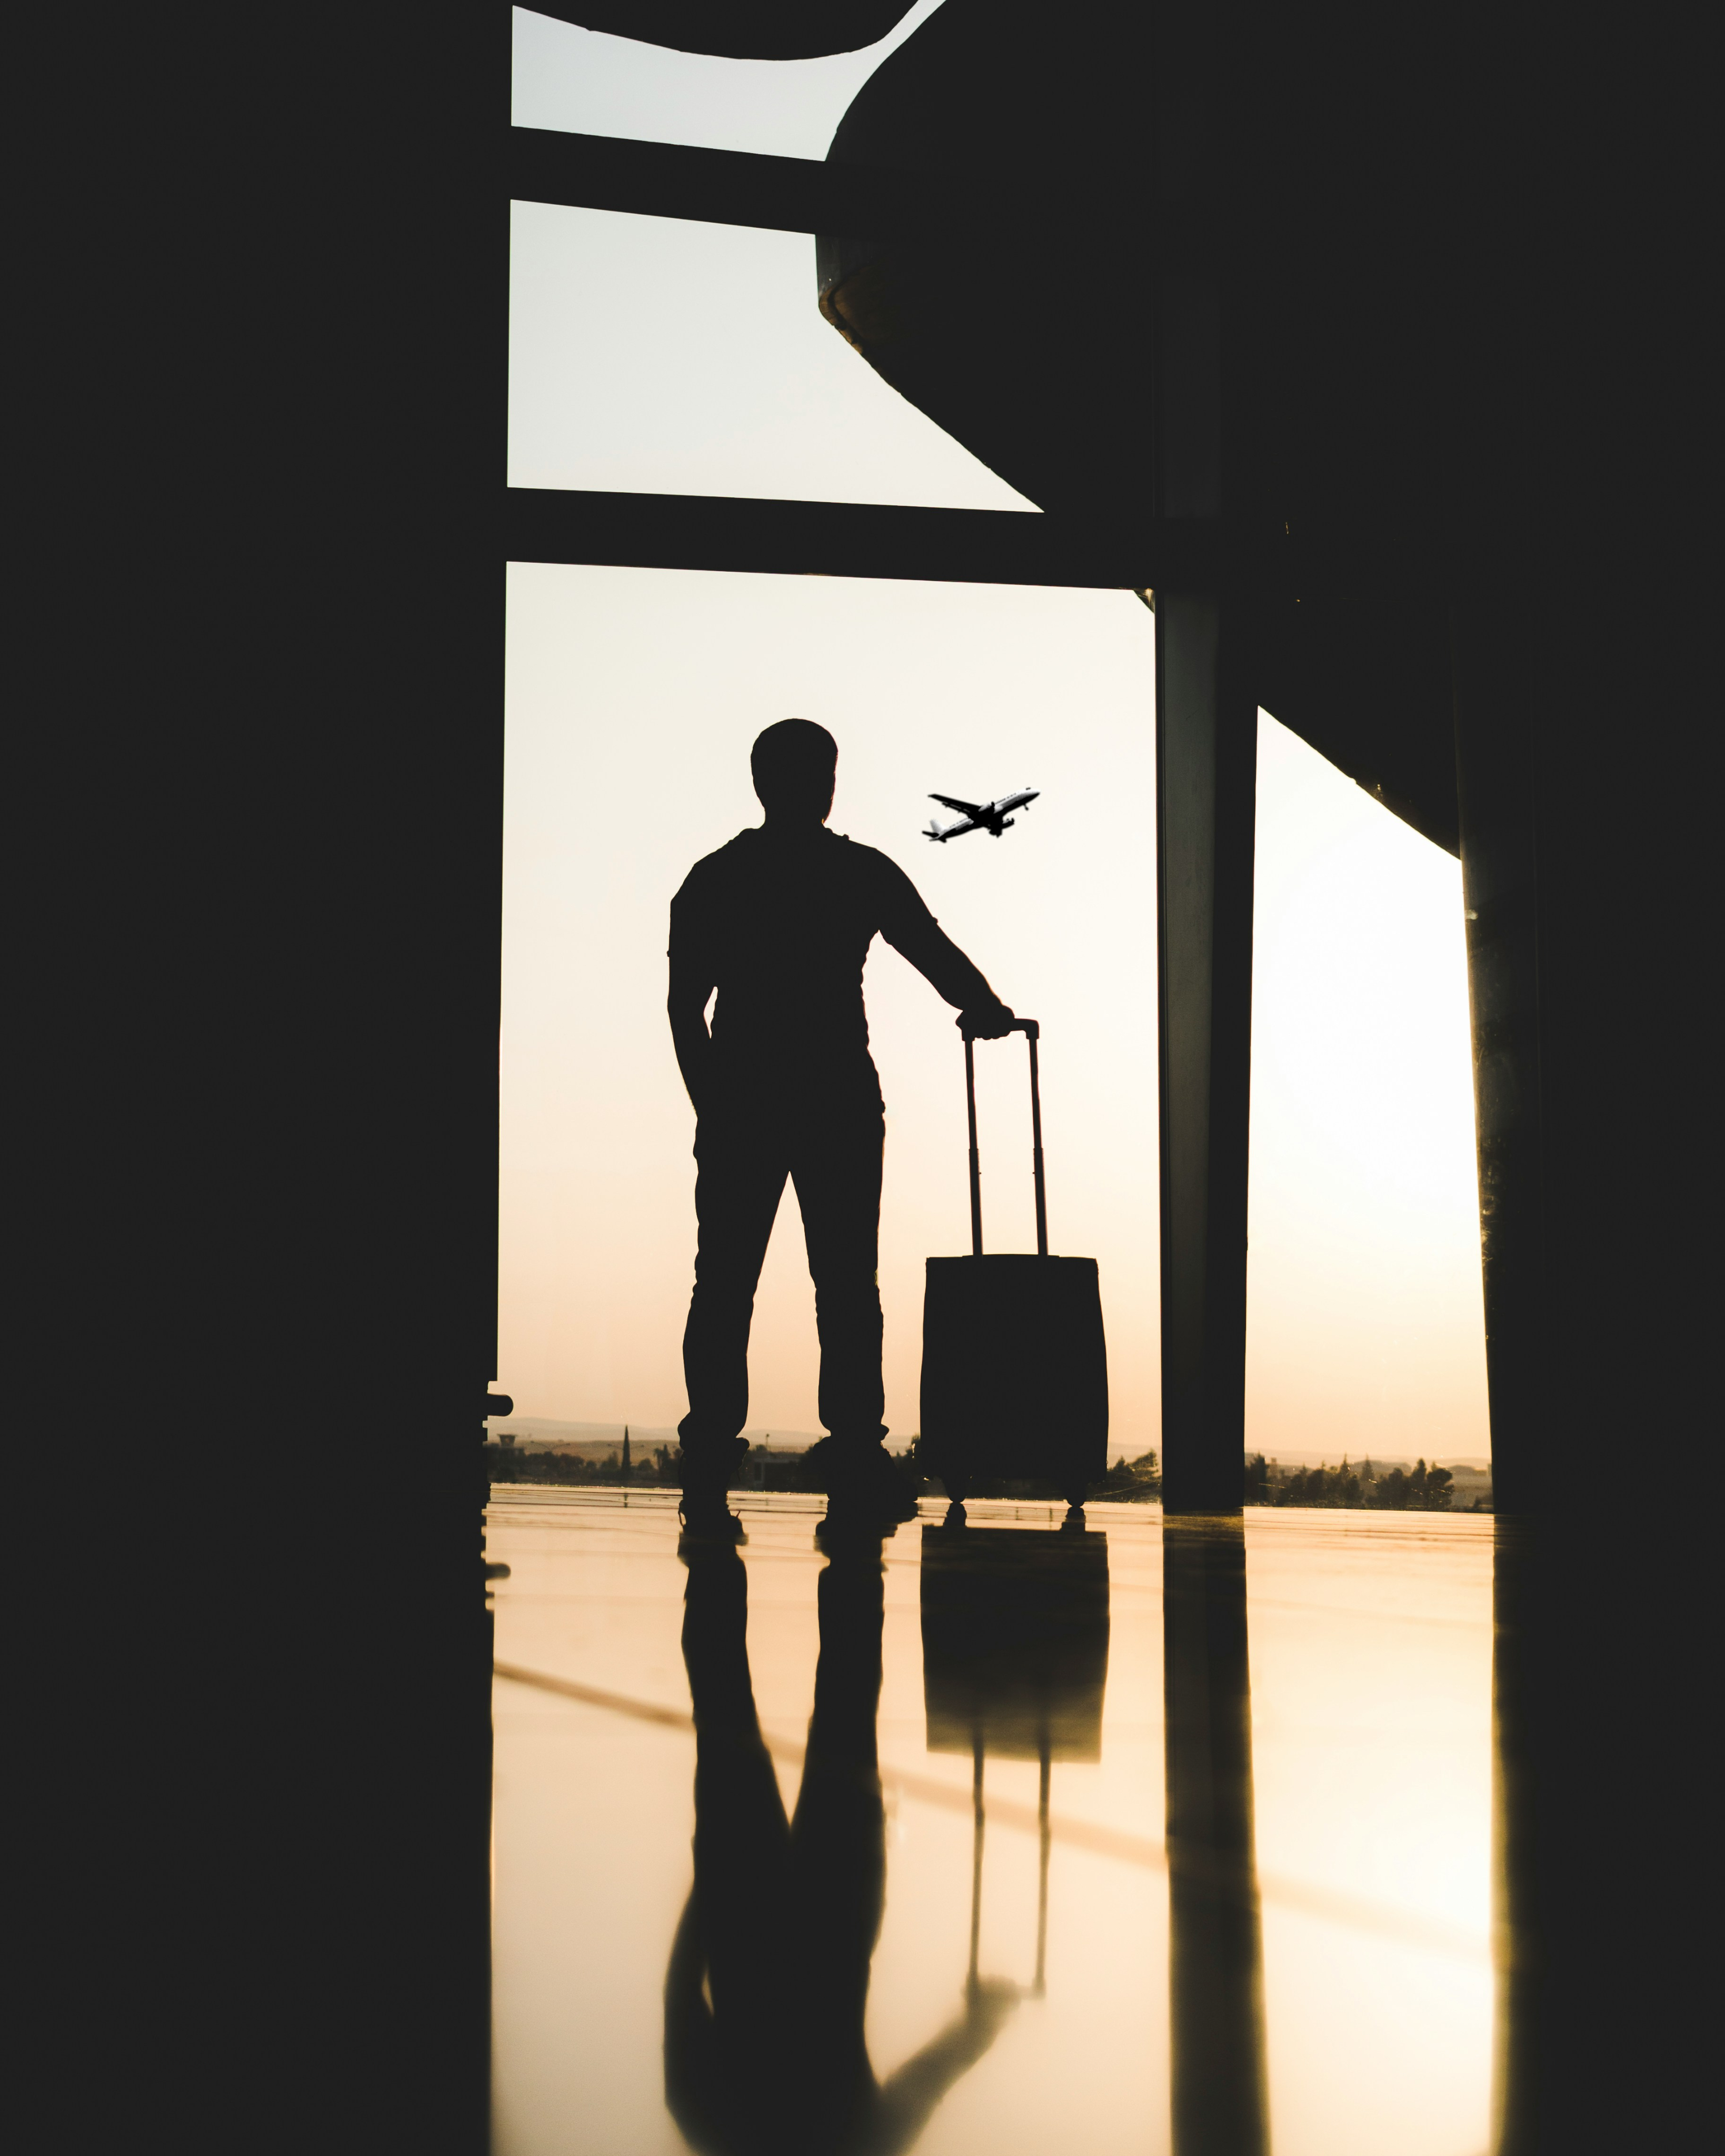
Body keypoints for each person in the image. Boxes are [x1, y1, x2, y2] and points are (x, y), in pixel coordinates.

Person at [669, 718, 1014, 1542]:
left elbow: (687, 1009)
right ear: (828, 784)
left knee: (723, 1286)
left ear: (758, 784)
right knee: (847, 1287)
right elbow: (926, 947)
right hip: (835, 1098)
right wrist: (985, 1007)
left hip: (744, 1098)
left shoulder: (716, 878)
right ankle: (855, 1450)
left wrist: (710, 1105)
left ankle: (710, 1450)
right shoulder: (856, 872)